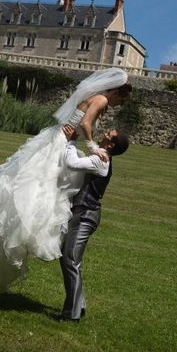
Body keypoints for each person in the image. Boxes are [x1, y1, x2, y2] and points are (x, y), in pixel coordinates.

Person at [0, 67, 132, 301]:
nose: (119, 106)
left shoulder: (94, 97)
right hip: (62, 144)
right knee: (39, 193)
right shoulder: (100, 98)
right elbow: (87, 123)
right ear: (117, 93)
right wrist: (93, 147)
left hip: (61, 141)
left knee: (42, 191)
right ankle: (26, 234)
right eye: (122, 101)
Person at [58, 125, 129, 322]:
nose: (105, 133)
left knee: (70, 260)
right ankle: (79, 304)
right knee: (71, 259)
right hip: (83, 213)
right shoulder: (101, 155)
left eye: (109, 134)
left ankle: (71, 314)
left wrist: (72, 141)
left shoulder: (101, 160)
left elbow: (72, 163)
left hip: (85, 215)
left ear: (111, 144)